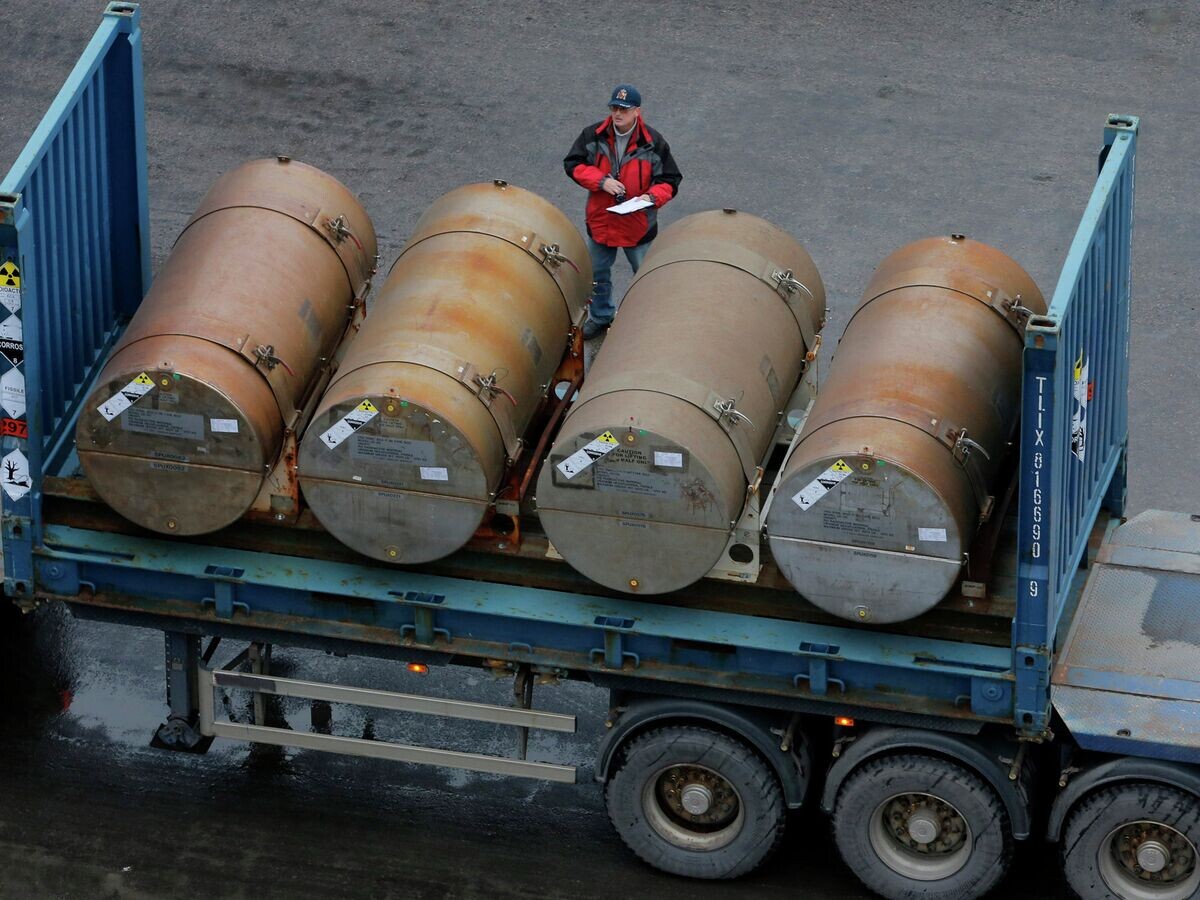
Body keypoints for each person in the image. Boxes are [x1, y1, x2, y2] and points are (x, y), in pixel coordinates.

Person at [563, 84, 682, 339]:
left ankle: (648, 324)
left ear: (637, 112)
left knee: (646, 280)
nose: (618, 113)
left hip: (637, 225)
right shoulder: (593, 136)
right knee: (596, 277)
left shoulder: (653, 143)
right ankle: (601, 317)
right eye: (615, 108)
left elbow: (670, 181)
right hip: (602, 222)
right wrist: (601, 181)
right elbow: (573, 164)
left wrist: (650, 198)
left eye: (624, 110)